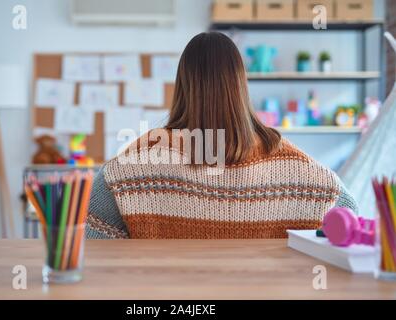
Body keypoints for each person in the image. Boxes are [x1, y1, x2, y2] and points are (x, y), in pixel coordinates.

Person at [86, 32, 357, 239]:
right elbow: (349, 217)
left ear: (183, 86)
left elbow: (92, 240)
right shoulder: (299, 169)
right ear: (240, 85)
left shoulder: (138, 161)